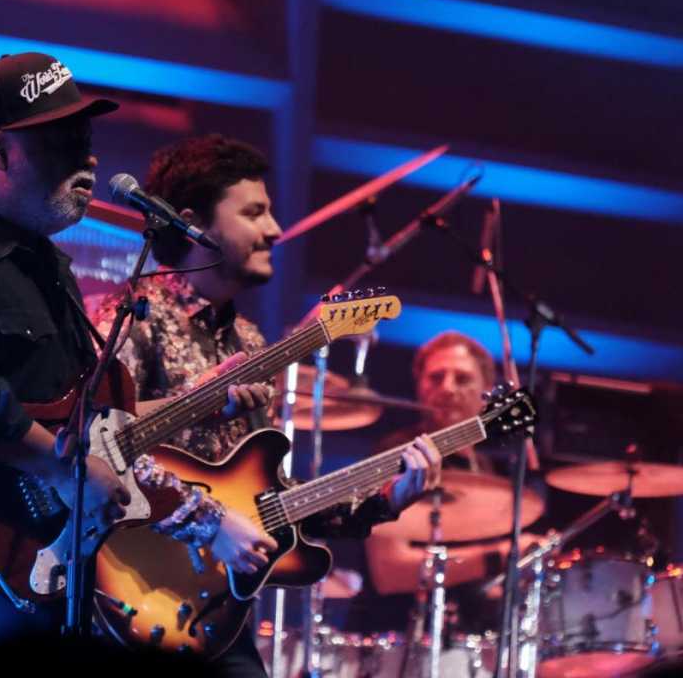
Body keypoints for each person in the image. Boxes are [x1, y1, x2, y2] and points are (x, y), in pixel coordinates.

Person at [0, 54, 273, 645]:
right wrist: (68, 471)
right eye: (62, 141)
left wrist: (198, 401)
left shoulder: (40, 262)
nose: (88, 158)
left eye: (86, 139)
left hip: (14, 574)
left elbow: (82, 422)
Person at [96, 133, 443, 675]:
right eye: (254, 212)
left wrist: (384, 500)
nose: (276, 230)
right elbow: (94, 448)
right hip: (131, 597)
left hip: (214, 609)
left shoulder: (251, 343)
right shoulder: (133, 316)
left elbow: (268, 499)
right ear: (193, 224)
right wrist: (210, 522)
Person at [361, 330, 538, 632]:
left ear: (487, 393)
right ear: (420, 387)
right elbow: (389, 571)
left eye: (462, 378)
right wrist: (499, 557)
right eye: (436, 377)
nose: (447, 388)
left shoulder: (485, 469)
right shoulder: (396, 453)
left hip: (467, 638)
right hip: (396, 634)